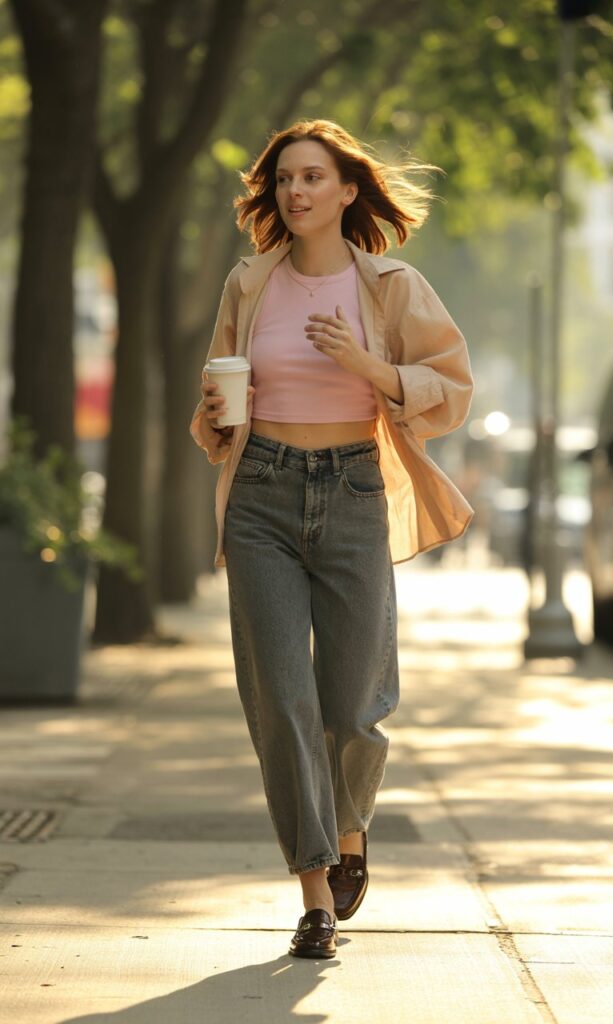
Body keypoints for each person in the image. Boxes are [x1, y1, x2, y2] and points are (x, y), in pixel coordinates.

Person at [189, 118, 474, 959]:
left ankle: (351, 832)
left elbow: (451, 390)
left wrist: (368, 364)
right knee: (281, 701)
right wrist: (213, 418)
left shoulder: (390, 287)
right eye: (283, 181)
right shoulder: (250, 283)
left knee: (354, 709)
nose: (296, 192)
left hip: (352, 490)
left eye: (312, 177)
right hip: (262, 495)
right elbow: (216, 397)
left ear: (348, 191)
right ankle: (314, 889)